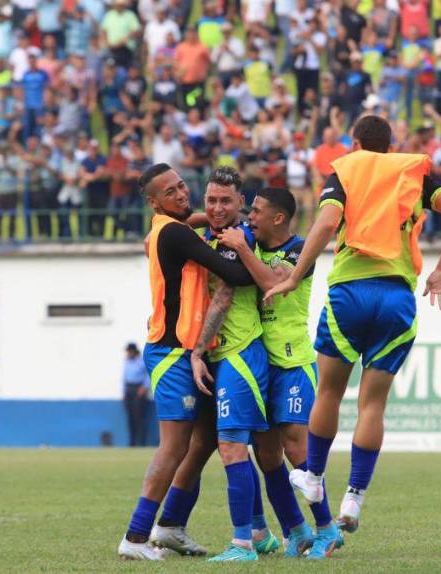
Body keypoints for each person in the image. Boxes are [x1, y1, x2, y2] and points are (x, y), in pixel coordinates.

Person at [265, 115, 441, 553]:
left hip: (349, 294)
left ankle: (315, 477)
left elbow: (323, 225)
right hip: (397, 298)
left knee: (329, 394)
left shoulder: (346, 170)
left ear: (355, 143)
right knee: (373, 404)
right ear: (390, 145)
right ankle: (354, 499)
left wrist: (295, 276)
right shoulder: (415, 172)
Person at [117, 163, 255, 561]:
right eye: (170, 192)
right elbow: (235, 274)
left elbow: (194, 220)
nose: (181, 194)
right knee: (174, 446)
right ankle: (136, 537)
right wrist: (243, 241)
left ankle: (171, 525)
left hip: (188, 350)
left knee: (208, 436)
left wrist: (218, 221)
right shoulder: (175, 233)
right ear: (154, 202)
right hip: (172, 351)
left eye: (181, 186)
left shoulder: (170, 228)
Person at [215, 187, 325, 557]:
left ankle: (326, 528)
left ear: (278, 218)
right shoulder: (256, 243)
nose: (250, 217)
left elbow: (273, 283)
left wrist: (243, 249)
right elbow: (223, 225)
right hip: (265, 362)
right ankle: (297, 531)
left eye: (257, 211)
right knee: (267, 455)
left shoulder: (299, 250)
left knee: (296, 447)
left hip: (293, 361)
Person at [123, 342, 151, 447]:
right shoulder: (126, 362)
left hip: (139, 389)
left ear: (134, 351)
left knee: (139, 417)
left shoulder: (141, 362)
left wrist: (144, 387)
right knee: (130, 418)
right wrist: (124, 391)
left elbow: (148, 375)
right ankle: (132, 443)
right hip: (129, 390)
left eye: (130, 351)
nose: (128, 353)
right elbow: (124, 377)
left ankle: (142, 443)